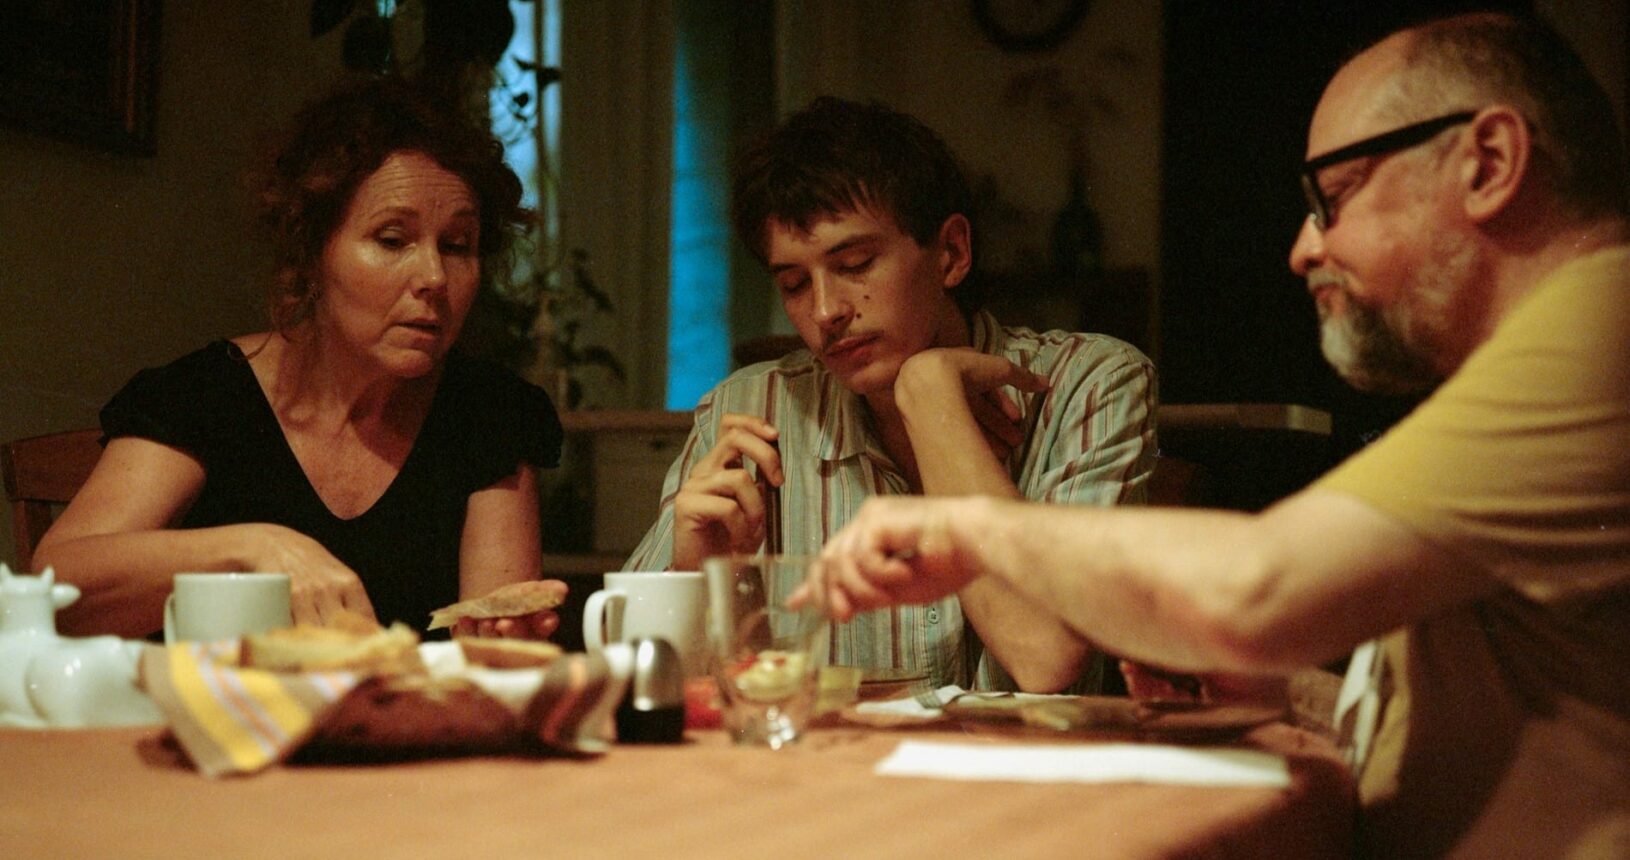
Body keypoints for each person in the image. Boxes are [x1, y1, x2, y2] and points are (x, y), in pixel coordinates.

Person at [802, 12, 1629, 858]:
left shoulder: (1604, 331)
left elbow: (1257, 587)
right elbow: (1513, 697)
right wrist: (1285, 696)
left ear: (1488, 163)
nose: (1303, 248)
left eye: (1333, 198)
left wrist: (972, 529)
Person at [623, 96, 1156, 693]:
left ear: (951, 253)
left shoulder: (1089, 383)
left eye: (854, 264)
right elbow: (634, 681)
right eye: (794, 284)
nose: (825, 311)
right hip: (824, 753)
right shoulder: (747, 410)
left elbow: (1045, 655)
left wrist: (930, 396)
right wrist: (695, 573)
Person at [36, 76, 567, 641]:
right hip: (208, 699)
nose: (434, 277)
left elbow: (488, 654)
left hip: (410, 702)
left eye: (457, 246)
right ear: (312, 253)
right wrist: (255, 548)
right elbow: (54, 589)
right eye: (392, 240)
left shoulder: (488, 414)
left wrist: (508, 641)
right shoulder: (208, 394)